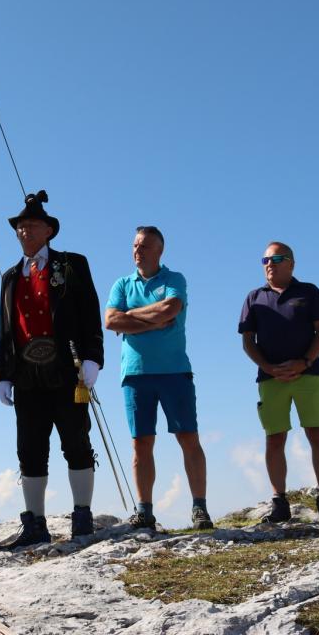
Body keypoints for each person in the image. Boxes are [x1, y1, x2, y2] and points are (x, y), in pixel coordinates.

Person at [0, 190, 103, 547]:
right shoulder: (10, 277)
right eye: (20, 226)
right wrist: (3, 375)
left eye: (32, 225)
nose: (24, 231)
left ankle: (82, 517)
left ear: (49, 231)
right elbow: (6, 330)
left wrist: (93, 358)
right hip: (27, 375)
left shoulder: (72, 265)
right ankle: (35, 524)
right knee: (29, 449)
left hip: (67, 371)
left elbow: (90, 313)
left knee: (76, 442)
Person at [105, 226, 212, 530]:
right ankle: (145, 511)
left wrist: (131, 318)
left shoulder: (174, 279)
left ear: (159, 250)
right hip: (135, 373)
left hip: (174, 371)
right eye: (135, 245)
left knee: (188, 438)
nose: (137, 251)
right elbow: (111, 320)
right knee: (141, 443)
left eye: (145, 246)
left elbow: (170, 308)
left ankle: (200, 507)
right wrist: (153, 322)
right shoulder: (122, 284)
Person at [239, 241, 319, 522]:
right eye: (265, 261)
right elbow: (247, 341)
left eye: (276, 259)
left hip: (308, 374)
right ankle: (279, 503)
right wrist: (268, 368)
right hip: (270, 379)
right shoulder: (254, 297)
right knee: (274, 438)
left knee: (317, 433)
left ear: (291, 264)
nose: (269, 265)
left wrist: (304, 362)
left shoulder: (309, 292)